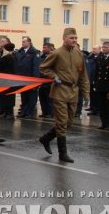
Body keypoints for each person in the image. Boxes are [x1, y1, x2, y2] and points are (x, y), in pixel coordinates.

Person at [38, 28, 90, 163]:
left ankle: (46, 138)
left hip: (73, 91)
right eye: (72, 38)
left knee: (69, 122)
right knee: (61, 122)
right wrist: (54, 76)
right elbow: (43, 67)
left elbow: (83, 76)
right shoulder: (57, 53)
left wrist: (86, 94)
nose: (74, 40)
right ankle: (63, 153)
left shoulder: (79, 54)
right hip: (60, 90)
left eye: (76, 38)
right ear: (64, 38)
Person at [15, 36, 41, 118]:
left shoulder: (34, 52)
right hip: (22, 79)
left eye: (24, 42)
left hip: (31, 79)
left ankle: (29, 113)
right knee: (24, 96)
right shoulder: (20, 52)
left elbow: (36, 67)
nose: (22, 43)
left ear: (29, 42)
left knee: (31, 97)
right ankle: (24, 112)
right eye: (22, 42)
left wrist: (36, 81)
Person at [0, 43, 17, 118]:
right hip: (9, 79)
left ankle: (9, 113)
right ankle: (6, 112)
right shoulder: (12, 56)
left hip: (8, 79)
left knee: (8, 97)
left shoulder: (8, 57)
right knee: (6, 96)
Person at [38, 43, 55, 118]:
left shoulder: (54, 56)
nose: (43, 49)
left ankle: (50, 113)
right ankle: (44, 112)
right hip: (42, 80)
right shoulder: (42, 56)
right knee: (42, 97)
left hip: (50, 80)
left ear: (50, 48)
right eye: (43, 47)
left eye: (45, 47)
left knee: (49, 98)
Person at [85, 45, 101, 115]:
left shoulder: (101, 57)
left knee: (97, 96)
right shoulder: (90, 57)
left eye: (95, 49)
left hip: (97, 79)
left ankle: (98, 110)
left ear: (99, 49)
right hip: (90, 78)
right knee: (92, 95)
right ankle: (93, 108)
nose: (93, 50)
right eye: (93, 49)